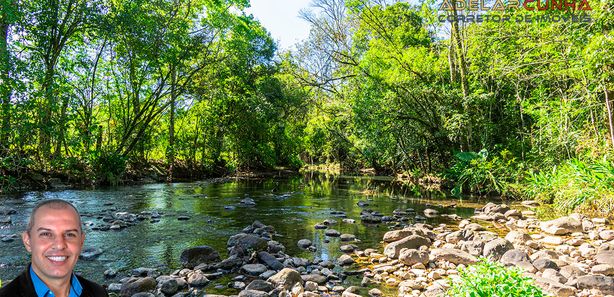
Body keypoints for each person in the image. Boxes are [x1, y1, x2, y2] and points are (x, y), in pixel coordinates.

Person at [0, 199, 108, 297]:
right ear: (28, 241)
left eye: (70, 234)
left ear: (81, 242)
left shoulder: (99, 293)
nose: (59, 245)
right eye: (46, 234)